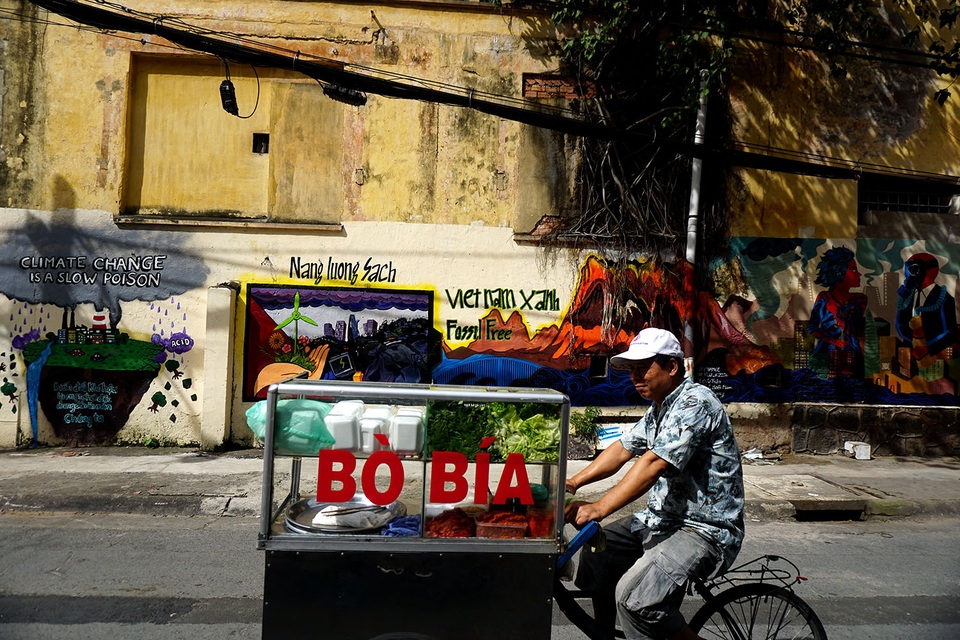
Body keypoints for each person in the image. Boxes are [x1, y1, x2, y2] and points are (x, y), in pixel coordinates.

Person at [565, 327, 744, 640]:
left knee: (635, 600)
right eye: (631, 369)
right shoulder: (659, 409)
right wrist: (573, 482)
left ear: (672, 367)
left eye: (643, 368)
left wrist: (600, 507)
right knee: (599, 550)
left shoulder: (694, 404)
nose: (635, 376)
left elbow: (653, 463)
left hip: (702, 529)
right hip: (662, 519)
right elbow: (623, 448)